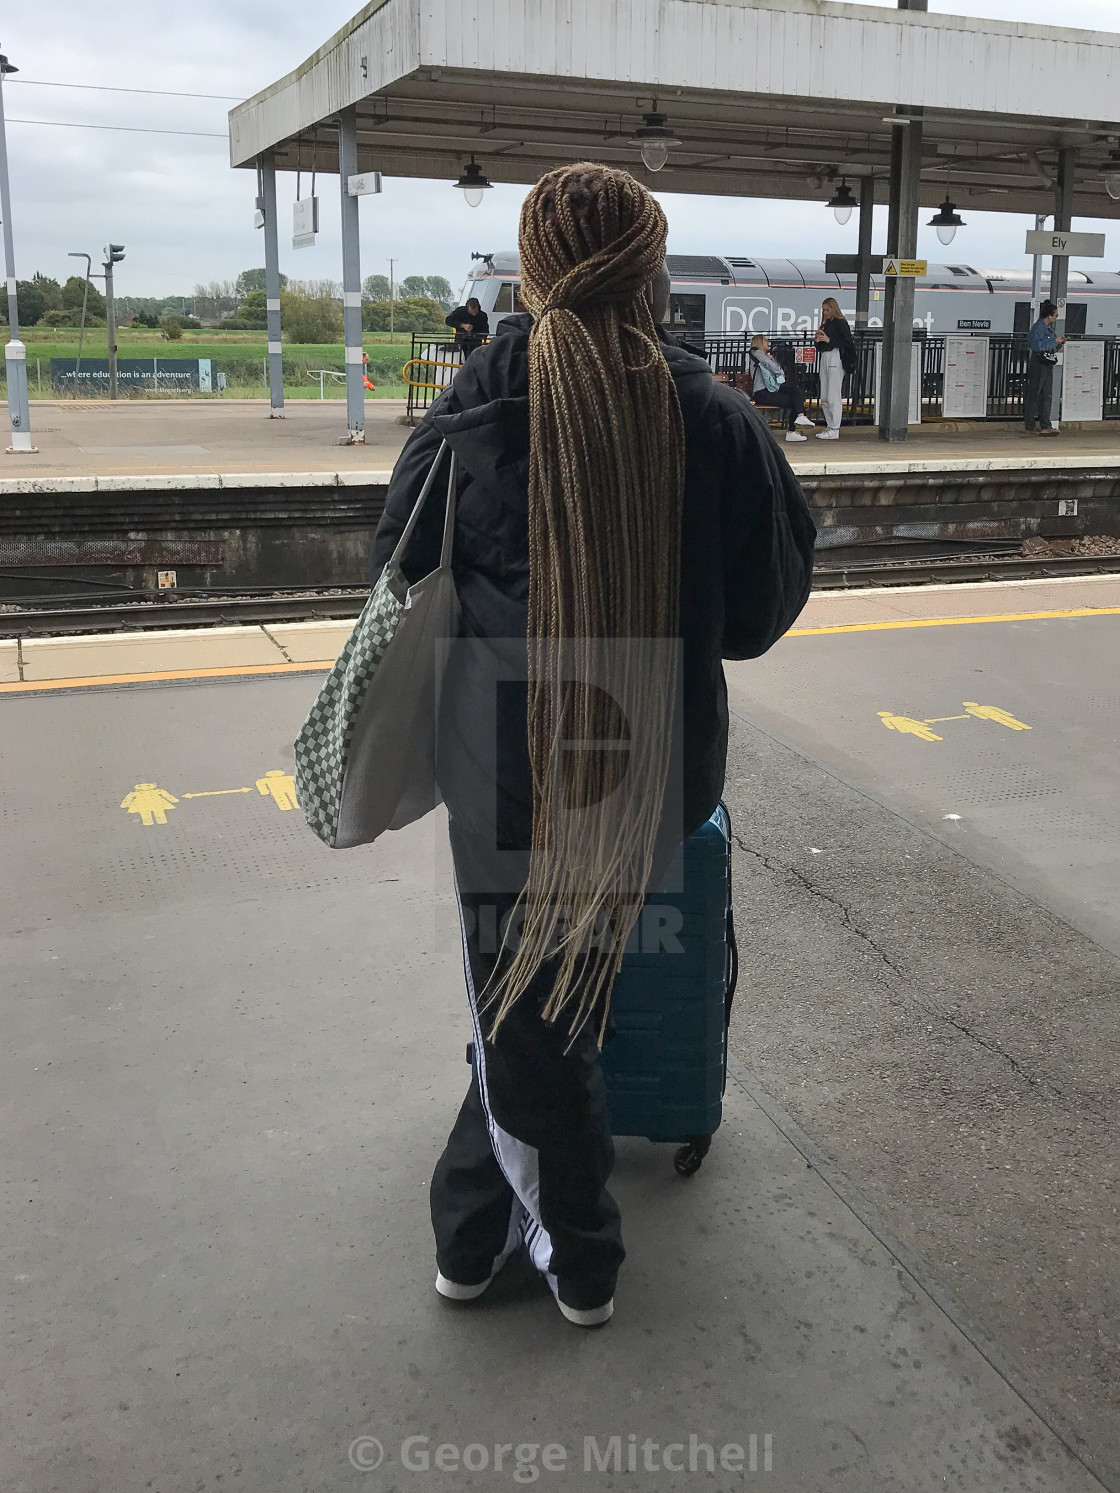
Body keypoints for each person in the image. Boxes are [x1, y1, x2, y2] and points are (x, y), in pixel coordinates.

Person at [370, 163, 816, 1328]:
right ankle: (492, 1227)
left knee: (523, 1007)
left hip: (503, 770)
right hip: (649, 769)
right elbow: (761, 613)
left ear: (530, 271)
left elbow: (394, 568)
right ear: (653, 273)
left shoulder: (471, 403)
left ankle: (554, 1250)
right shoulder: (711, 414)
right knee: (550, 1001)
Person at [748, 334, 814, 442]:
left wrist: (771, 359)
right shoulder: (756, 352)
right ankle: (792, 431)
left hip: (772, 388)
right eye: (765, 340)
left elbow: (773, 365)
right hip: (763, 392)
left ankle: (801, 416)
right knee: (794, 401)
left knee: (797, 391)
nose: (768, 342)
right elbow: (774, 367)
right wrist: (777, 368)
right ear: (760, 342)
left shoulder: (765, 355)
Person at [813, 297, 856, 440]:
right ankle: (830, 425)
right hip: (825, 356)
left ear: (833, 309)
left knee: (833, 395)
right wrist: (818, 340)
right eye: (823, 310)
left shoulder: (840, 323)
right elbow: (820, 347)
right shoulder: (826, 324)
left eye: (827, 309)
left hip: (835, 357)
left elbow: (848, 342)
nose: (825, 313)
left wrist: (830, 340)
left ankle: (834, 427)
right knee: (824, 396)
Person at [1024, 300, 1063, 436]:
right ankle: (1030, 424)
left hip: (1047, 361)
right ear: (1049, 316)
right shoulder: (1037, 328)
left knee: (1047, 393)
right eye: (1055, 315)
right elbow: (1036, 346)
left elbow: (1048, 343)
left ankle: (1046, 424)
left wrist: (1057, 342)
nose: (1056, 318)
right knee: (1034, 393)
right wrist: (1054, 341)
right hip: (1038, 361)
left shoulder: (1048, 329)